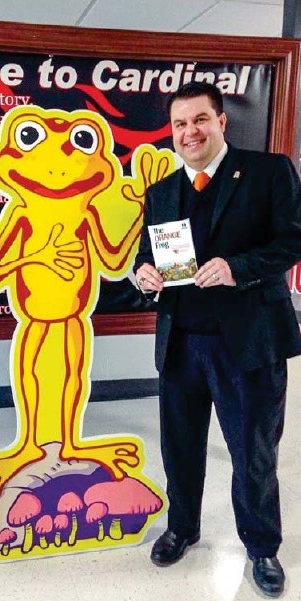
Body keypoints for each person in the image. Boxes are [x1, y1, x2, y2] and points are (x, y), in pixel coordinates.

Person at [134, 82, 301, 597]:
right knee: (180, 447)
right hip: (182, 342)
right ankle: (182, 527)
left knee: (252, 451)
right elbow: (146, 256)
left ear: (221, 122)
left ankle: (261, 547)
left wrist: (238, 268)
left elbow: (293, 240)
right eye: (180, 124)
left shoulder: (268, 171)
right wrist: (142, 275)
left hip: (248, 344)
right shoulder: (161, 191)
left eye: (200, 120)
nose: (190, 132)